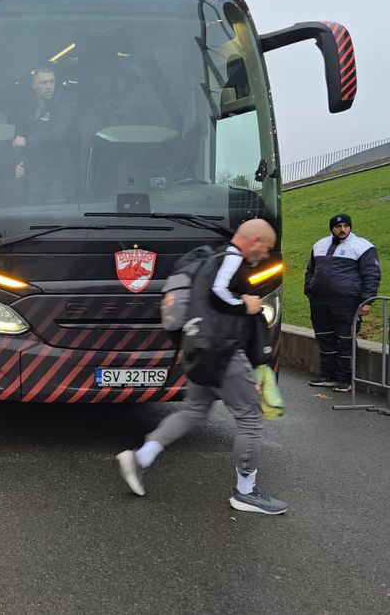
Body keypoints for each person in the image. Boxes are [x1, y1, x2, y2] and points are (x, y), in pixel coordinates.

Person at [116, 219, 289, 515]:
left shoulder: (208, 261)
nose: (265, 254)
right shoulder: (231, 259)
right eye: (266, 248)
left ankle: (141, 457)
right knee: (250, 417)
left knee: (193, 411)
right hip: (221, 351)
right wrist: (244, 306)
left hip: (197, 348)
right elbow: (219, 292)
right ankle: (246, 492)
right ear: (255, 241)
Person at [304, 214, 380, 393]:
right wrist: (309, 289)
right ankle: (328, 375)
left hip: (347, 301)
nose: (342, 229)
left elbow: (372, 275)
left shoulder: (362, 246)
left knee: (345, 339)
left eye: (346, 226)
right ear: (332, 228)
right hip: (320, 301)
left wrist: (367, 301)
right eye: (338, 226)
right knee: (325, 337)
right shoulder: (319, 245)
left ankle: (345, 379)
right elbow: (311, 269)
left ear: (350, 227)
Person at [10, 65, 77, 203]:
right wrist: (19, 162)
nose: (48, 86)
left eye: (51, 81)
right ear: (34, 85)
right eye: (43, 82)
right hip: (34, 179)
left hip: (59, 179)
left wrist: (28, 141)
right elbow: (18, 140)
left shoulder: (64, 107)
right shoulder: (26, 111)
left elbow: (59, 134)